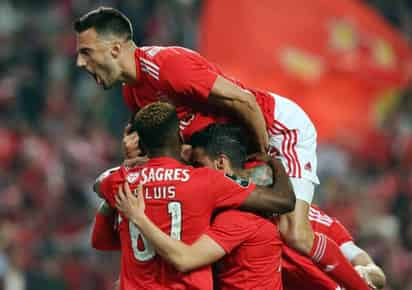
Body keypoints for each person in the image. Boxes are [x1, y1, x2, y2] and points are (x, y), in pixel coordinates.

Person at [74, 7, 370, 290]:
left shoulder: (169, 67)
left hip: (275, 129)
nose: (80, 63)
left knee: (293, 232)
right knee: (240, 228)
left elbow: (245, 102)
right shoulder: (134, 93)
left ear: (114, 49)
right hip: (232, 146)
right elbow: (169, 148)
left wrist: (259, 160)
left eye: (86, 52)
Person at [93, 102, 294, 289]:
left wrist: (122, 181)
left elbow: (99, 232)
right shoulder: (205, 181)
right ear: (180, 138)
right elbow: (283, 201)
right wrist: (275, 162)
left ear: (142, 146)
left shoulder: (119, 182)